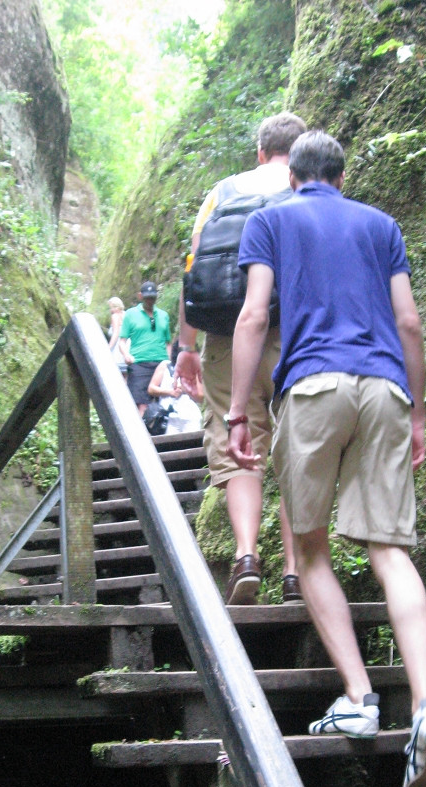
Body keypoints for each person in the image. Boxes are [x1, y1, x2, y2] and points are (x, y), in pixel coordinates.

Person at [227, 129, 426, 787]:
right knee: (389, 549)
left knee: (312, 547)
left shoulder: (269, 221)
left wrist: (239, 410)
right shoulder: (381, 226)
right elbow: (408, 321)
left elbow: (253, 316)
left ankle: (357, 695)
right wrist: (416, 409)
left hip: (314, 388)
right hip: (384, 387)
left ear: (291, 176)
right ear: (343, 178)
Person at [175, 112, 306, 605]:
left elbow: (195, 265)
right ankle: (296, 572)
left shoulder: (221, 193)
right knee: (296, 448)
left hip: (229, 336)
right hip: (295, 330)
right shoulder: (306, 188)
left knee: (239, 445)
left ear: (260, 151)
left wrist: (187, 346)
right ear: (301, 149)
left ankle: (247, 556)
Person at [120, 282, 172, 416]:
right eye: (147, 297)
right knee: (141, 404)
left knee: (163, 402)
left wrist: (169, 362)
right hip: (139, 363)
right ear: (140, 296)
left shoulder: (163, 315)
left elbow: (168, 342)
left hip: (161, 364)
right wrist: (126, 355)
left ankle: (161, 434)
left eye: (152, 297)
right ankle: (141, 435)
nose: (150, 300)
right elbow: (122, 341)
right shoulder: (131, 314)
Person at [146, 344, 203, 434]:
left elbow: (201, 396)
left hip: (190, 416)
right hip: (169, 417)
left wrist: (186, 389)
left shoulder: (195, 370)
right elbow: (151, 388)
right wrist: (170, 392)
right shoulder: (165, 365)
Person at [106, 296, 128, 376]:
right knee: (126, 375)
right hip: (127, 346)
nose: (110, 310)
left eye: (111, 307)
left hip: (118, 348)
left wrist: (108, 348)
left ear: (116, 307)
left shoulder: (115, 316)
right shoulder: (126, 315)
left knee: (117, 374)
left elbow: (116, 334)